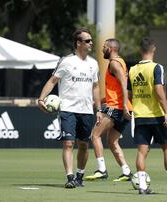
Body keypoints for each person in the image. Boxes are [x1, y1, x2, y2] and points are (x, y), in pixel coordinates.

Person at [38, 27, 101, 188]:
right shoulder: (66, 61)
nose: (91, 43)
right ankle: (70, 177)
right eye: (87, 40)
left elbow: (96, 87)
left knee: (84, 145)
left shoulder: (93, 64)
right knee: (68, 143)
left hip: (87, 110)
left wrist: (99, 109)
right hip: (67, 109)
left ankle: (80, 175)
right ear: (78, 43)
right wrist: (40, 99)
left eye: (91, 40)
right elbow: (52, 81)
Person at [128, 37, 167, 195]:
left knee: (141, 151)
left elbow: (129, 94)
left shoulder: (132, 70)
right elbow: (159, 91)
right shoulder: (156, 67)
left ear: (140, 50)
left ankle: (142, 186)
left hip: (139, 116)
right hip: (157, 115)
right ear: (154, 49)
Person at [84, 39, 133, 182]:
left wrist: (123, 106)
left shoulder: (114, 64)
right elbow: (116, 89)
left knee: (95, 135)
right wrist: (100, 101)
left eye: (104, 47)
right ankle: (126, 172)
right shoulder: (121, 62)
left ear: (111, 48)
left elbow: (124, 86)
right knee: (112, 142)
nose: (102, 49)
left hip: (117, 108)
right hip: (121, 107)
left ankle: (102, 170)